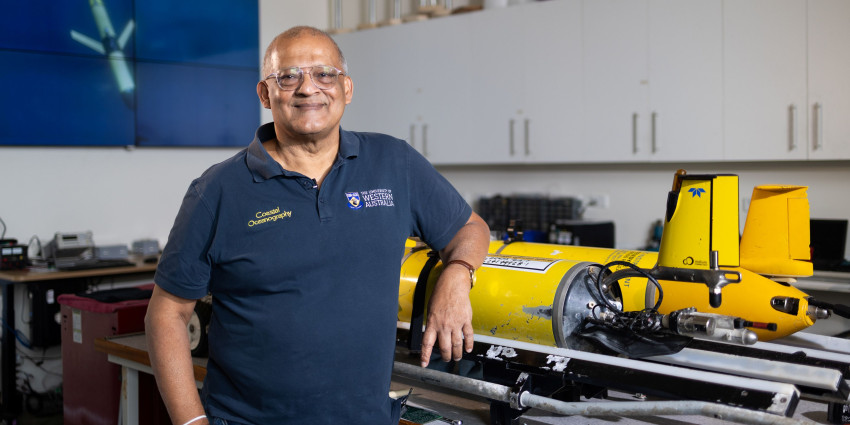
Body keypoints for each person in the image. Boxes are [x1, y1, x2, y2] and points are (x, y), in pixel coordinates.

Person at [144, 25, 490, 425]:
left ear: (346, 88)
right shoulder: (218, 191)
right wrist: (191, 423)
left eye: (324, 74)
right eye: (289, 76)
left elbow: (470, 228)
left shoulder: (395, 163)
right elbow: (166, 315)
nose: (309, 89)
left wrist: (457, 275)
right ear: (265, 94)